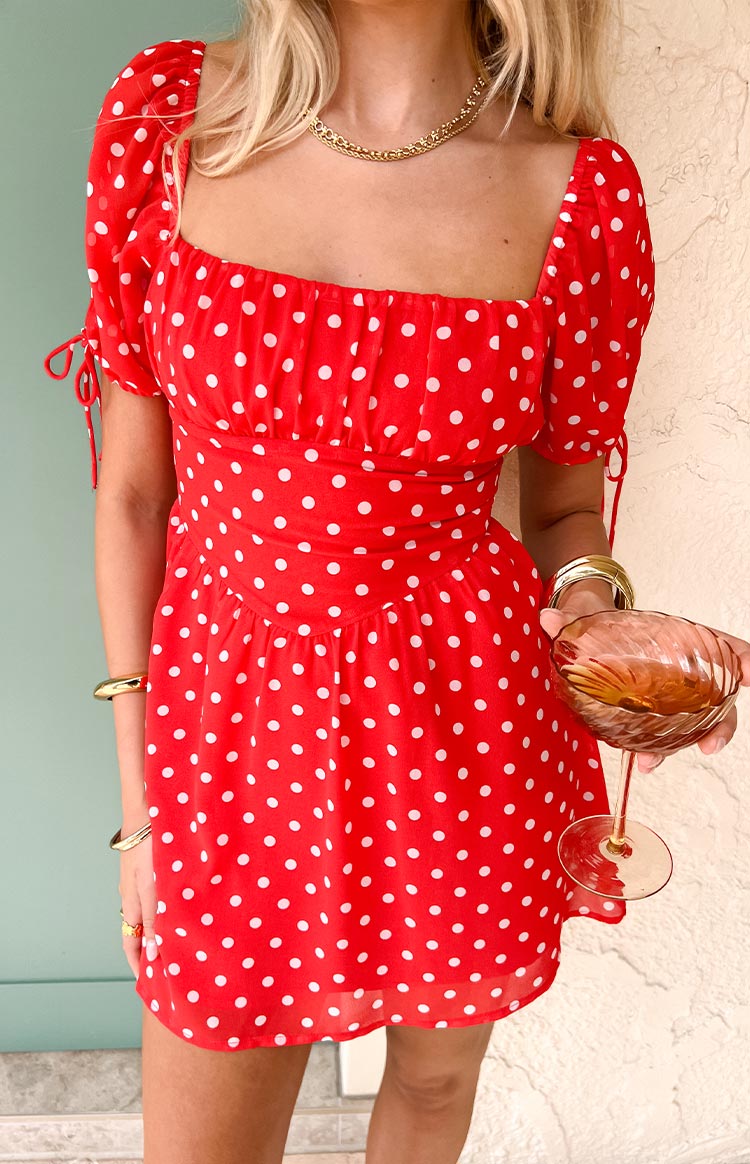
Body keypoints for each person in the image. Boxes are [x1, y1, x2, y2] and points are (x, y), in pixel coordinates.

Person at [44, 2, 749, 1162]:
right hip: (227, 741)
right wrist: (141, 813)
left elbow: (562, 513)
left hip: (459, 730)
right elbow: (131, 492)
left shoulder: (581, 196)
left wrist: (595, 617)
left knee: (430, 1082)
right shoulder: (171, 117)